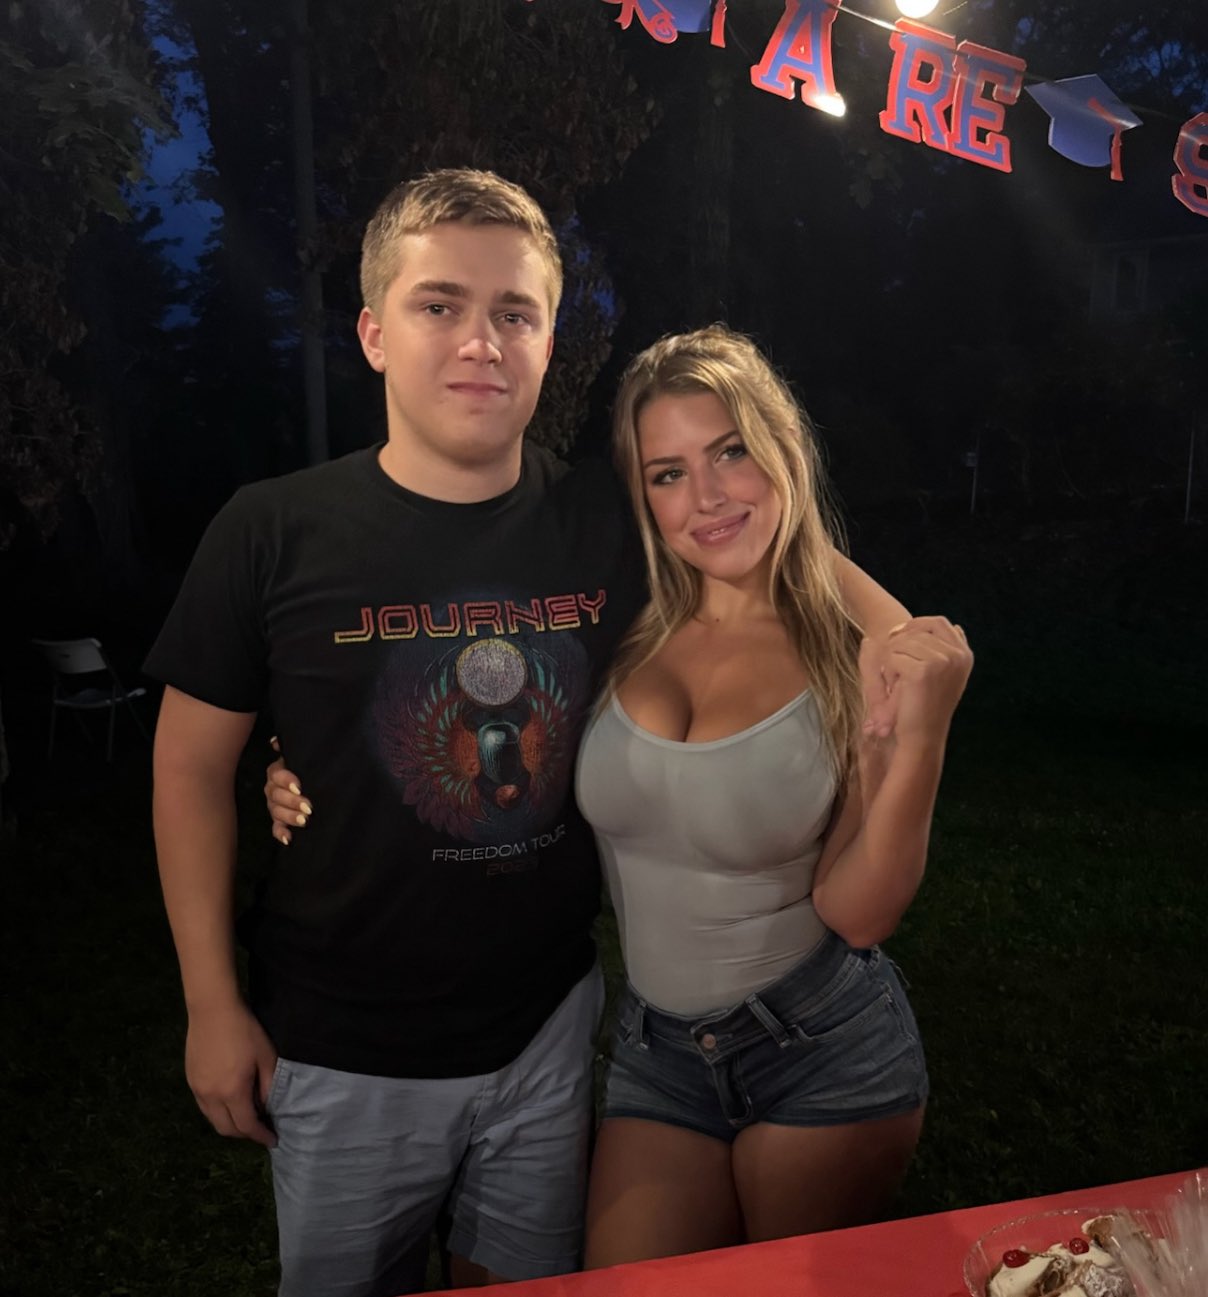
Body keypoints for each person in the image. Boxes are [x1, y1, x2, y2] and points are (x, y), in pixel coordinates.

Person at [155, 168, 918, 1297]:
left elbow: (763, 531)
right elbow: (186, 768)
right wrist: (212, 1003)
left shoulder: (605, 519)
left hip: (548, 1032)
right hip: (344, 1043)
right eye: (439, 305)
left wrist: (904, 639)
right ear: (373, 333)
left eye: (514, 312)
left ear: (550, 341)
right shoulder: (272, 532)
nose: (481, 341)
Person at [578, 325, 972, 1265]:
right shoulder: (623, 616)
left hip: (818, 1049)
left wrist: (920, 736)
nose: (706, 496)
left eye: (731, 452)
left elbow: (859, 910)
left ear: (782, 445)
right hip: (656, 1052)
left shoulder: (855, 660)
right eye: (668, 472)